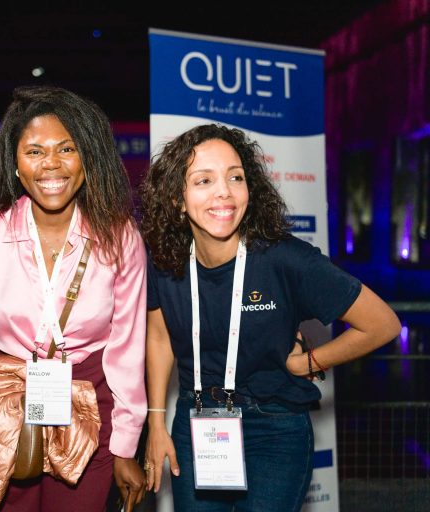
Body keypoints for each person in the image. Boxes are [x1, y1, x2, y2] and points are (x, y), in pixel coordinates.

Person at [139, 124, 401, 511]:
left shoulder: (286, 259)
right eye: (203, 180)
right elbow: (159, 338)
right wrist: (156, 422)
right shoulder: (166, 260)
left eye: (235, 177)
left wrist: (309, 362)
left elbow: (382, 324)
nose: (224, 191)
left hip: (274, 428)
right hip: (196, 425)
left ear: (250, 189)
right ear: (178, 199)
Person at [0, 85, 147, 511]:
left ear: (86, 159)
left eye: (66, 148)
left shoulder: (119, 235)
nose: (51, 163)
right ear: (15, 164)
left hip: (92, 409)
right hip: (3, 409)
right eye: (34, 151)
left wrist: (126, 442)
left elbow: (127, 351)